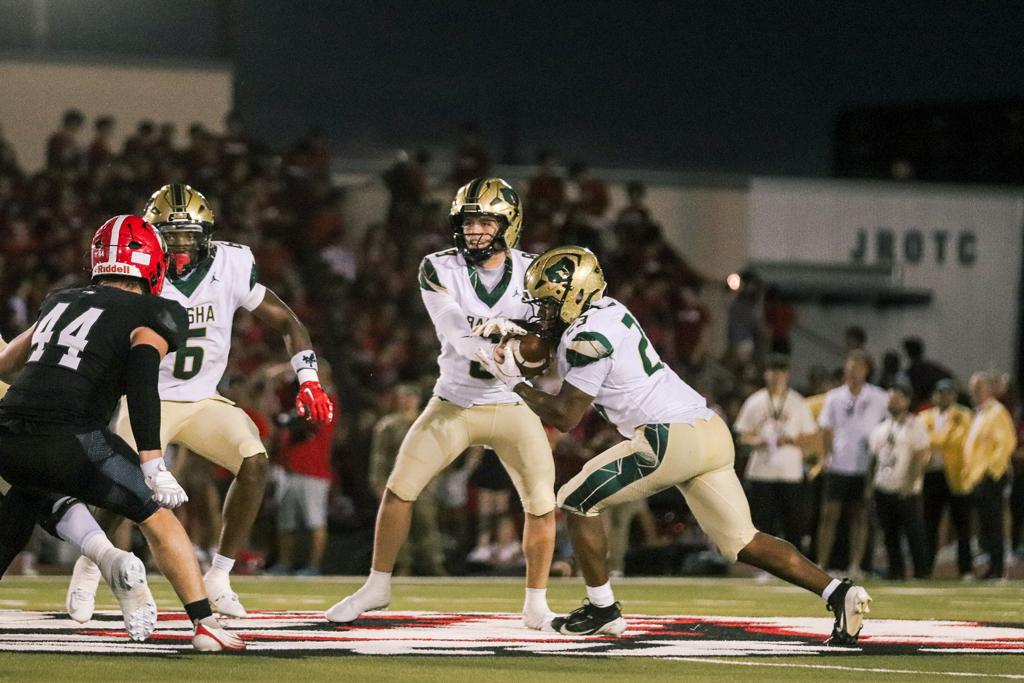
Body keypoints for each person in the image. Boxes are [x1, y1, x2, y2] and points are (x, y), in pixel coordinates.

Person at [475, 246, 871, 643]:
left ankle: (602, 609)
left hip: (668, 436)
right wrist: (517, 329)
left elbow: (565, 416)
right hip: (708, 430)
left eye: (548, 302)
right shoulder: (609, 310)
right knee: (744, 541)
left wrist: (514, 382)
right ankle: (839, 593)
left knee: (576, 500)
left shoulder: (587, 338)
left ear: (574, 295)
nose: (542, 311)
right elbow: (558, 341)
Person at [65, 184, 334, 620]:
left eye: (187, 236)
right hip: (147, 396)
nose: (179, 246)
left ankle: (220, 576)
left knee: (254, 462)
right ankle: (90, 567)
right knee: (121, 484)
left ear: (206, 235)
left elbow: (287, 322)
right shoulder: (136, 271)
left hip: (204, 397)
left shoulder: (231, 265)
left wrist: (309, 380)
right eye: (169, 237)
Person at [0, 215, 242, 651]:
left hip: (7, 432)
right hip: (73, 437)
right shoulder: (155, 310)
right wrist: (152, 461)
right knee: (158, 517)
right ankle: (205, 625)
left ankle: (106, 558)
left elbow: (6, 363)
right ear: (153, 263)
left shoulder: (60, 300)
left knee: (26, 497)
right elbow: (143, 379)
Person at [326, 178, 558, 630]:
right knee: (399, 488)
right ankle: (377, 585)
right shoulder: (439, 266)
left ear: (509, 224)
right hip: (454, 401)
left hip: (512, 404)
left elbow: (550, 338)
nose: (475, 231)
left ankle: (536, 602)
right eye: (469, 222)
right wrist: (499, 340)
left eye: (486, 222)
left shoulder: (536, 273)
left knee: (541, 502)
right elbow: (452, 327)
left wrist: (532, 346)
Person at [734, 353, 818, 551]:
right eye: (773, 372)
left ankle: (793, 562)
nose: (776, 377)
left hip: (790, 472)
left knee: (793, 525)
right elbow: (742, 434)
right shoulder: (755, 401)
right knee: (763, 524)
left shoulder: (797, 402)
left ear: (787, 375)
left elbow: (811, 435)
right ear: (766, 374)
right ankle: (765, 563)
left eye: (780, 372)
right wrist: (760, 440)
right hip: (761, 471)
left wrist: (789, 440)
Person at [816, 350, 889, 577]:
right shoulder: (834, 397)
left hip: (865, 464)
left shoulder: (879, 397)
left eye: (857, 369)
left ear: (866, 371)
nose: (853, 373)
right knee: (829, 514)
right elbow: (826, 428)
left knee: (860, 515)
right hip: (839, 462)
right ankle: (821, 563)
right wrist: (826, 454)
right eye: (850, 369)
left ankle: (855, 565)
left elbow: (887, 425)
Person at [367, 385, 445, 576]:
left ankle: (434, 564)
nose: (408, 401)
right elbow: (379, 457)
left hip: (422, 482)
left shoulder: (428, 422)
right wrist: (378, 484)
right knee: (398, 527)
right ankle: (403, 565)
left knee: (427, 525)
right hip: (396, 482)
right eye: (404, 397)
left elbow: (437, 453)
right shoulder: (388, 425)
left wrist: (435, 478)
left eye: (412, 397)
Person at [868, 383, 930, 578]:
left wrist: (910, 483)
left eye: (897, 399)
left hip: (905, 488)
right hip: (883, 486)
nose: (892, 402)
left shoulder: (915, 425)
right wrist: (870, 486)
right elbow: (874, 458)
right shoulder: (881, 427)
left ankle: (921, 572)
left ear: (907, 401)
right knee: (889, 534)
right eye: (890, 398)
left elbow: (920, 455)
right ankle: (896, 572)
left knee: (913, 533)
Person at [962, 371, 1017, 579]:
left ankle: (997, 568)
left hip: (991, 476)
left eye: (979, 387)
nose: (975, 392)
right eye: (973, 388)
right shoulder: (981, 413)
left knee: (993, 523)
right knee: (985, 524)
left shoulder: (996, 412)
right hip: (978, 476)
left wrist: (991, 471)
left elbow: (1006, 443)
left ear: (989, 389)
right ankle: (991, 566)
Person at [919, 379, 973, 577]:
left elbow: (958, 440)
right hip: (931, 473)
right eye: (941, 393)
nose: (944, 397)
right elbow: (920, 441)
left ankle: (966, 569)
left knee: (962, 525)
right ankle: (925, 568)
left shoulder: (963, 415)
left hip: (956, 475)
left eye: (948, 393)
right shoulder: (925, 416)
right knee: (929, 524)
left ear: (954, 396)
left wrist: (934, 440)